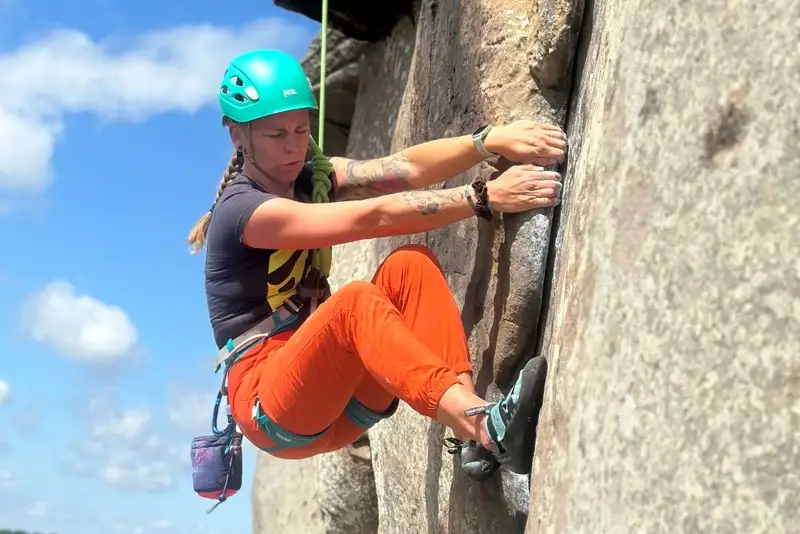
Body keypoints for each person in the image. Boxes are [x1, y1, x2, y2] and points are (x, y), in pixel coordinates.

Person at [188, 49, 566, 481]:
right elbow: (371, 218)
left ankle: (472, 430)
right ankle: (485, 425)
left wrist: (486, 142)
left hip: (343, 398)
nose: (294, 145)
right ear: (238, 137)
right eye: (276, 134)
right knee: (355, 303)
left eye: (300, 127)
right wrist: (481, 196)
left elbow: (402, 169)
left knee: (410, 266)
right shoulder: (244, 212)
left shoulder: (311, 178)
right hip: (275, 408)